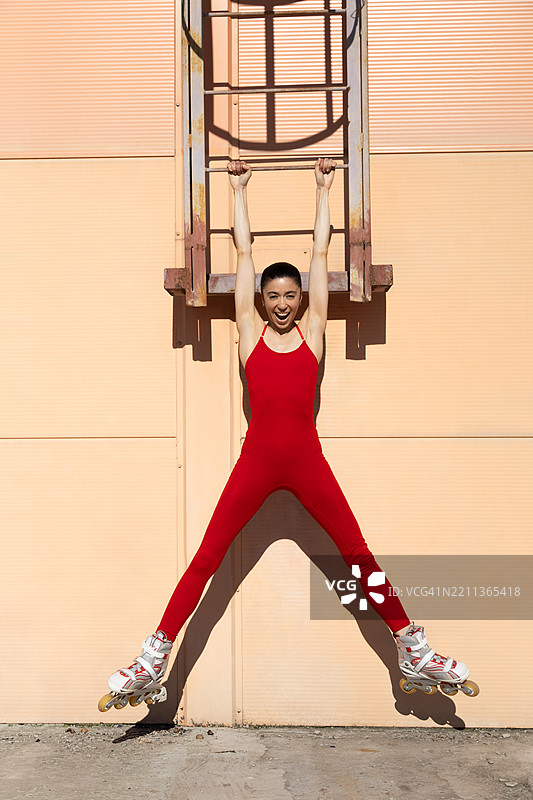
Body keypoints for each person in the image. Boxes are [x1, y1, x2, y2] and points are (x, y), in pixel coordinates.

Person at [99, 158, 474, 712]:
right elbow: (244, 253)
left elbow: (320, 254)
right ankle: (154, 657)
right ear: (261, 300)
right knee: (207, 557)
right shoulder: (248, 333)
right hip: (256, 462)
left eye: (288, 296)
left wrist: (323, 191)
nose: (280, 304)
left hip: (306, 462)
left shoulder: (313, 331)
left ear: (300, 299)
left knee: (357, 554)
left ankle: (411, 647)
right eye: (272, 296)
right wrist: (238, 191)